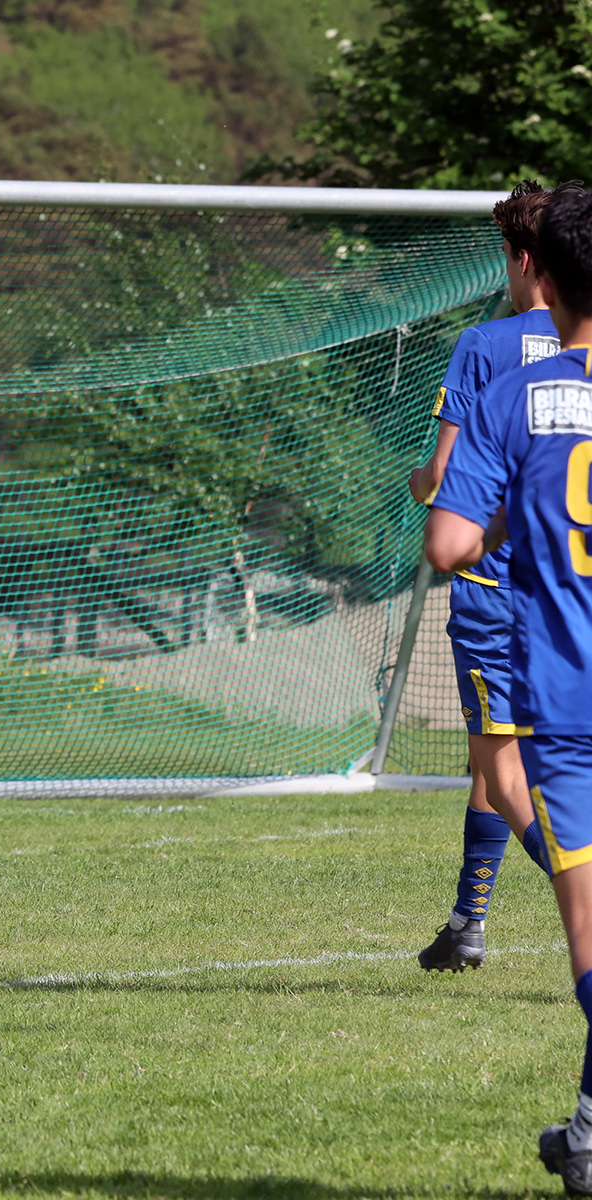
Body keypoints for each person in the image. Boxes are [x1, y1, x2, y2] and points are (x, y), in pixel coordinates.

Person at [428, 187, 592, 1192]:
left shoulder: (506, 379)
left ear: (539, 269)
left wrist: (490, 517)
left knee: (588, 928)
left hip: (564, 680)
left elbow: (448, 536)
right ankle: (586, 1133)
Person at [406, 181, 582, 972]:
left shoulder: (486, 347)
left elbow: (446, 480)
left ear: (525, 261)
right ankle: (467, 922)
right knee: (498, 758)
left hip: (495, 592)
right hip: (570, 594)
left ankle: (574, 893)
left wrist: (422, 484)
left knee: (502, 769)